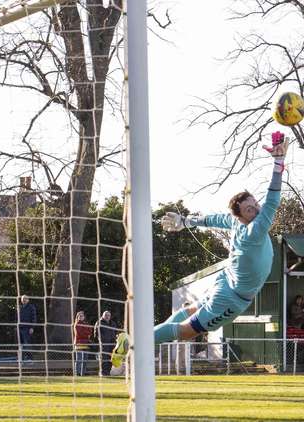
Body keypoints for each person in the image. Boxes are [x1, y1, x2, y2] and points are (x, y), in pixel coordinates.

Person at [116, 134, 289, 365]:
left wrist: (187, 221)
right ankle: (132, 344)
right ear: (241, 216)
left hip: (225, 283)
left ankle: (142, 339)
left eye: (255, 204)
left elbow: (214, 219)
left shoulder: (235, 221)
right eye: (250, 209)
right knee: (187, 331)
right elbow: (273, 199)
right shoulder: (254, 231)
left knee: (188, 313)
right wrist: (278, 162)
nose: (257, 210)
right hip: (231, 298)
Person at [94, 310, 118, 376]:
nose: (107, 316)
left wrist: (115, 340)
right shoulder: (99, 323)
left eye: (109, 315)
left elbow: (115, 332)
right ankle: (103, 373)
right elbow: (96, 334)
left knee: (111, 358)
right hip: (103, 344)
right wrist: (101, 340)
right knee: (104, 359)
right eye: (106, 315)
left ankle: (108, 372)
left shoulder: (113, 323)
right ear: (103, 316)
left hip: (112, 344)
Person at [73, 310, 92, 376]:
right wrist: (87, 333)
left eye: (82, 316)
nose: (81, 317)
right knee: (79, 359)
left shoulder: (86, 323)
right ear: (77, 317)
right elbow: (80, 334)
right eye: (80, 316)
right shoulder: (77, 324)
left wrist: (86, 333)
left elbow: (90, 331)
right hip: (79, 343)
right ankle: (77, 373)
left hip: (86, 343)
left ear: (84, 317)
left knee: (85, 360)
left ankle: (83, 373)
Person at [18, 295, 37, 362]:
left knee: (27, 344)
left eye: (25, 299)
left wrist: (32, 327)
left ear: (28, 300)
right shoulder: (20, 307)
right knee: (20, 344)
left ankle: (30, 358)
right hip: (20, 328)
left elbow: (34, 318)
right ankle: (21, 359)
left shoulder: (31, 307)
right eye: (22, 299)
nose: (23, 300)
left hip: (27, 328)